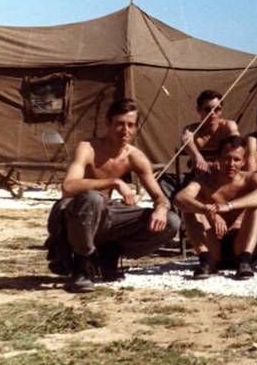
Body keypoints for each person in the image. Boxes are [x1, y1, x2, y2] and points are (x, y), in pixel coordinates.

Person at [49, 98, 181, 293]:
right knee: (93, 198)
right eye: (119, 124)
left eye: (130, 125)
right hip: (74, 213)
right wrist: (114, 182)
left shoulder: (134, 156)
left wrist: (160, 209)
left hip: (106, 214)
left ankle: (109, 252)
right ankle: (81, 265)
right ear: (108, 123)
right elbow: (68, 187)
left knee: (171, 222)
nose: (125, 130)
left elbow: (160, 197)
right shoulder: (87, 148)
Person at [175, 135, 257, 279]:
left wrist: (228, 206)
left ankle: (244, 261)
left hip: (241, 243)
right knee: (189, 207)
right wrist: (208, 211)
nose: (231, 164)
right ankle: (206, 261)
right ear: (218, 159)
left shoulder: (251, 179)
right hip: (213, 245)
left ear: (244, 161)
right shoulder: (204, 181)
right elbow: (179, 198)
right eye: (227, 158)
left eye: (236, 159)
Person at [181, 90, 246, 175]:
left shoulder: (227, 126)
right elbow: (186, 139)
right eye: (208, 109)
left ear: (221, 111)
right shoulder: (192, 130)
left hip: (224, 173)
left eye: (217, 109)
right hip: (200, 175)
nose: (212, 113)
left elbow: (236, 142)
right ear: (199, 110)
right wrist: (197, 156)